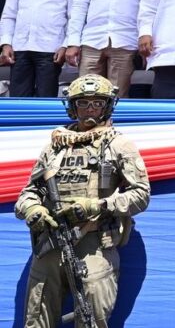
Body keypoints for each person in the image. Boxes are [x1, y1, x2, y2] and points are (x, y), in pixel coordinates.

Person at [14, 74, 150, 328]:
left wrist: (97, 206)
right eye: (83, 104)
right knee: (36, 320)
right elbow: (28, 192)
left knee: (92, 319)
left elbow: (141, 194)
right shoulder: (54, 147)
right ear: (72, 107)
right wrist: (33, 209)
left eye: (97, 103)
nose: (89, 110)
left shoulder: (118, 145)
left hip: (94, 244)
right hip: (50, 244)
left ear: (107, 106)